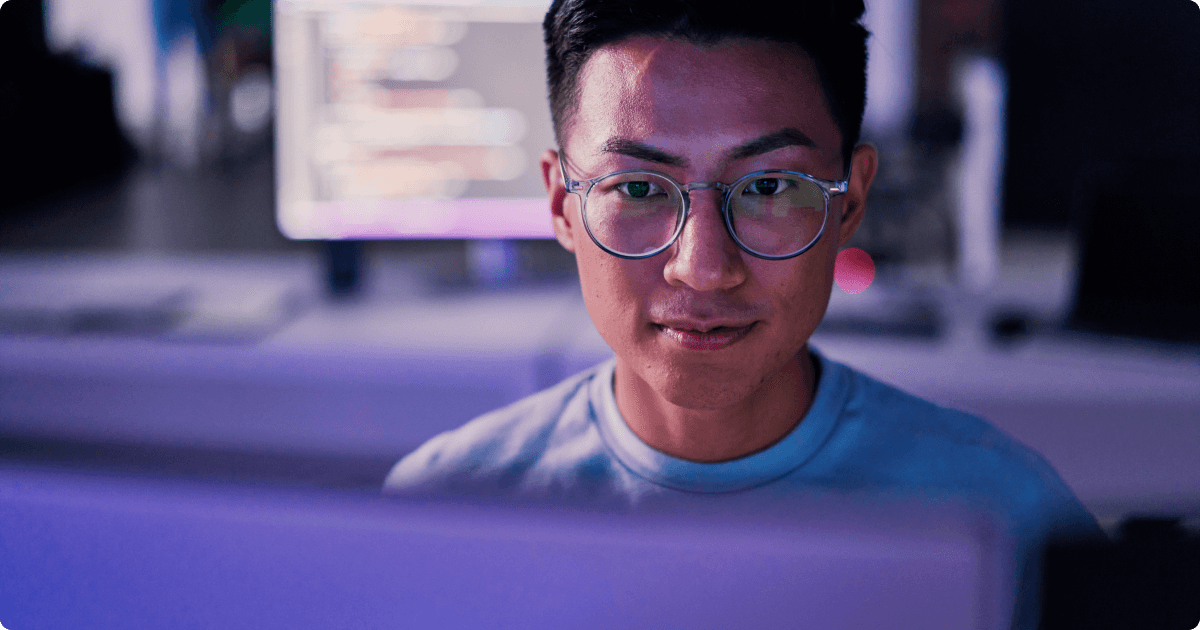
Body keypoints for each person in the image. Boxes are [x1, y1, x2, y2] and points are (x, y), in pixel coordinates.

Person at [385, 0, 1103, 626]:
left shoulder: (1007, 517)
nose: (702, 266)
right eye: (637, 190)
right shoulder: (441, 513)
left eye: (768, 186)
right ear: (560, 204)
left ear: (849, 201)